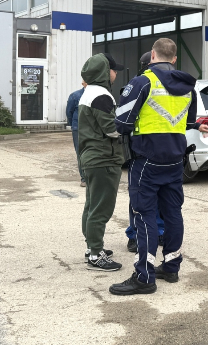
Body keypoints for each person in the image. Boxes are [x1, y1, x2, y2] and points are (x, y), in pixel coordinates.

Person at [110, 38, 208, 295]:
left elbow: (121, 123)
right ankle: (171, 266)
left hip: (147, 159)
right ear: (174, 58)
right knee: (173, 213)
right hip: (175, 160)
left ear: (152, 55)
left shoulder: (142, 82)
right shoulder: (189, 87)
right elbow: (188, 123)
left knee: (144, 214)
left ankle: (144, 276)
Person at [79, 52, 125, 271]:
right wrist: (131, 128)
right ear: (107, 72)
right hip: (103, 158)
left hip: (91, 157)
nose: (116, 74)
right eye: (115, 70)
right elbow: (112, 129)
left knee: (91, 205)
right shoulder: (102, 96)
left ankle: (92, 247)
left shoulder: (88, 92)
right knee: (101, 209)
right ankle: (96, 255)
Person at [124, 52, 165, 254]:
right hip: (167, 151)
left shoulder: (140, 83)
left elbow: (124, 120)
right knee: (160, 198)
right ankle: (159, 232)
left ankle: (136, 235)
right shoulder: (173, 85)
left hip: (143, 151)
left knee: (139, 198)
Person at [66, 82, 86, 187]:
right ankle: (84, 179)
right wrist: (74, 125)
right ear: (83, 83)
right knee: (80, 153)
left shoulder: (96, 95)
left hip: (90, 128)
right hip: (78, 128)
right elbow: (69, 112)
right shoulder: (75, 96)